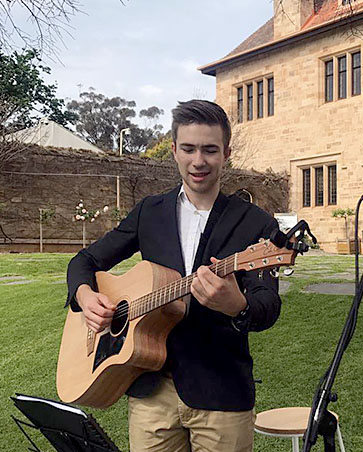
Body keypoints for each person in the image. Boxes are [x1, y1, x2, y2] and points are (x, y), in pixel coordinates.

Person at [66, 99, 281, 452]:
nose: (199, 161)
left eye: (210, 150)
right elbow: (84, 261)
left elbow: (268, 305)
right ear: (174, 151)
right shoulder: (150, 212)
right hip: (149, 389)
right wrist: (86, 297)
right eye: (189, 149)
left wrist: (237, 306)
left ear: (226, 153)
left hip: (221, 392)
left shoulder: (255, 222)